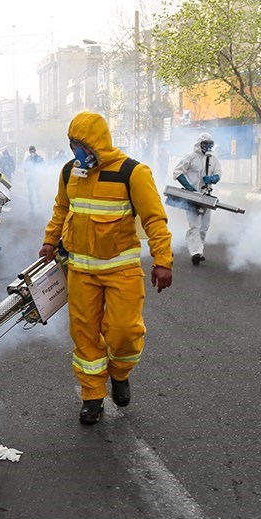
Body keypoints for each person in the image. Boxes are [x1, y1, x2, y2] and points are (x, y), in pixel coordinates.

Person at [38, 111, 173, 425]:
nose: (76, 151)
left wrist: (163, 260)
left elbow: (155, 220)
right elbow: (62, 208)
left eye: (80, 144)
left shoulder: (132, 172)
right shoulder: (70, 171)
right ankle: (93, 396)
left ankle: (120, 373)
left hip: (120, 271)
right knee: (84, 335)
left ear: (96, 143)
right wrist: (50, 239)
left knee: (124, 333)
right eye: (72, 145)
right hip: (80, 272)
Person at [172, 132, 223, 266]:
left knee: (204, 227)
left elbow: (219, 173)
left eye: (209, 144)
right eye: (205, 143)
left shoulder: (213, 159)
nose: (207, 146)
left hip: (206, 196)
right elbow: (177, 172)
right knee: (194, 225)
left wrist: (213, 179)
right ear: (199, 144)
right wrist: (188, 186)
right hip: (192, 196)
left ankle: (199, 250)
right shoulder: (190, 157)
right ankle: (195, 252)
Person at [23, 145, 45, 214]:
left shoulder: (39, 158)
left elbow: (43, 168)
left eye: (32, 151)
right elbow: (25, 169)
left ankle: (39, 208)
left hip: (36, 178)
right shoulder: (28, 159)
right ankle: (32, 208)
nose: (32, 152)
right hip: (31, 178)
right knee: (31, 194)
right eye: (31, 151)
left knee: (37, 194)